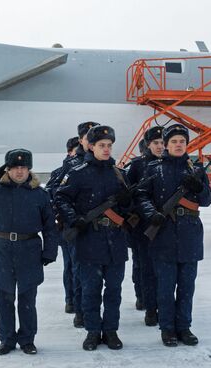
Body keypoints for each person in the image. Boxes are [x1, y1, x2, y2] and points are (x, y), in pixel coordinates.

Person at [0, 149, 57, 356]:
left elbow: (50, 226)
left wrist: (50, 251)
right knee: (4, 300)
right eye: (15, 167)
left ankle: (27, 340)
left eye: (23, 167)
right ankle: (7, 340)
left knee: (27, 300)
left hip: (30, 250)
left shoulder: (39, 195)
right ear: (7, 170)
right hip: (3, 250)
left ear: (29, 170)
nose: (19, 171)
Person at [54, 125, 132, 351]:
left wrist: (127, 201)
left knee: (114, 290)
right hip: (89, 239)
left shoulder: (120, 174)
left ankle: (111, 331)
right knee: (90, 290)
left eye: (109, 146)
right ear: (91, 146)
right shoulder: (77, 173)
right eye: (101, 145)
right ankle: (92, 332)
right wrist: (73, 218)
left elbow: (130, 209)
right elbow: (60, 198)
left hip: (115, 241)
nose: (106, 149)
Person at [138, 123, 211, 347]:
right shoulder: (154, 168)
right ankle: (167, 329)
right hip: (163, 233)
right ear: (167, 145)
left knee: (187, 286)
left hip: (190, 234)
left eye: (182, 141)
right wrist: (151, 213)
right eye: (174, 142)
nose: (178, 145)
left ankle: (184, 327)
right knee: (165, 286)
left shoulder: (195, 168)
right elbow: (141, 196)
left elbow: (207, 200)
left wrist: (199, 187)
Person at [48, 121, 100, 329]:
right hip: (76, 227)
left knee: (91, 272)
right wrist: (70, 217)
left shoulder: (102, 164)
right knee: (75, 268)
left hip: (96, 230)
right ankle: (77, 307)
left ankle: (87, 309)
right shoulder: (70, 165)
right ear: (81, 140)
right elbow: (55, 194)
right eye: (88, 137)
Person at [126, 126, 165, 327]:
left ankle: (162, 305)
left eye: (162, 143)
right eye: (156, 143)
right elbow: (128, 194)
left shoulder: (170, 164)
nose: (160, 146)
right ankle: (149, 306)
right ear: (148, 145)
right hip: (143, 226)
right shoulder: (137, 166)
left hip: (166, 226)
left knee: (164, 270)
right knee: (145, 268)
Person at [45, 137, 79, 315]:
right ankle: (71, 300)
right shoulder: (60, 172)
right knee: (71, 265)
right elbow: (51, 197)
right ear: (69, 152)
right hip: (68, 227)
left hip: (86, 229)